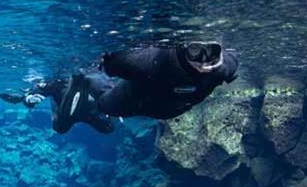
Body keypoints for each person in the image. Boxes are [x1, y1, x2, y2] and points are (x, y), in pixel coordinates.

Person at [18, 41, 238, 134]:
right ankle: (82, 81)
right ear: (181, 49)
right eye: (195, 51)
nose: (204, 60)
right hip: (131, 102)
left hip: (173, 108)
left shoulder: (224, 67)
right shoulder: (150, 62)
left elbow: (231, 63)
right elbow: (112, 62)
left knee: (105, 121)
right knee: (104, 106)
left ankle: (84, 89)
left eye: (211, 51)